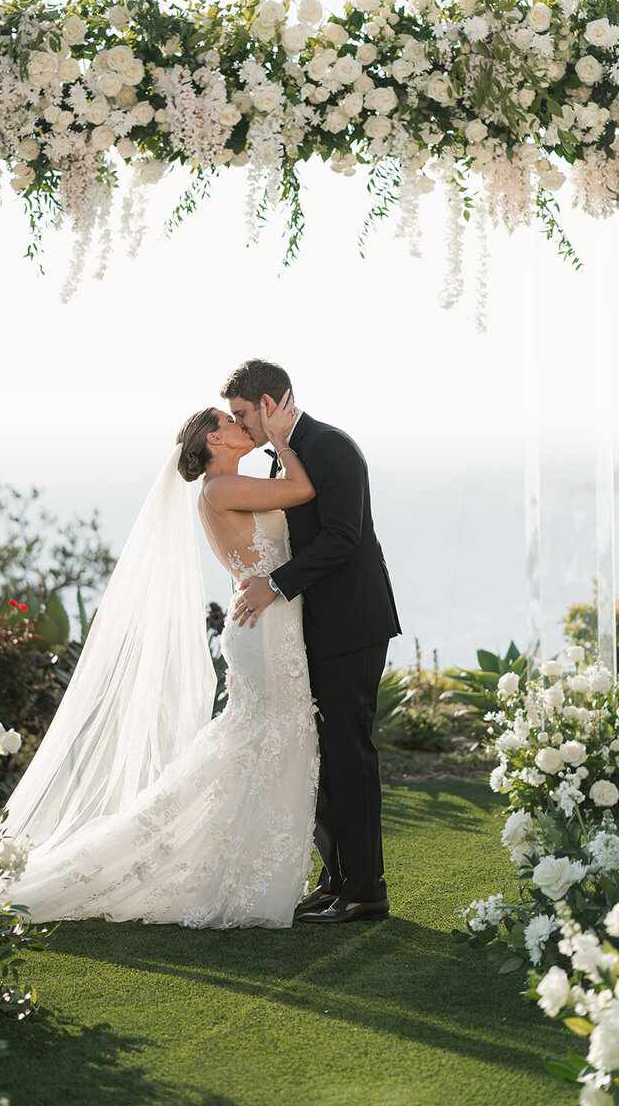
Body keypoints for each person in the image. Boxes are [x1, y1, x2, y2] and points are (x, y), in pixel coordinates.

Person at [3, 392, 321, 928]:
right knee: (271, 737)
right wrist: (284, 437)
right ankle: (232, 872)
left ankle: (246, 868)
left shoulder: (224, 486)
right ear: (215, 439)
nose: (243, 423)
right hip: (264, 629)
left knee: (267, 740)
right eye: (231, 419)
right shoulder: (220, 487)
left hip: (268, 622)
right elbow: (303, 490)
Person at [222, 359, 400, 924]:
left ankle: (366, 890)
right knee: (318, 755)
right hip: (309, 631)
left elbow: (344, 537)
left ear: (272, 404)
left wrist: (273, 584)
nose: (241, 425)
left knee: (349, 754)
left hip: (352, 625)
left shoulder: (331, 447)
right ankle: (336, 878)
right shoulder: (286, 456)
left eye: (244, 414)